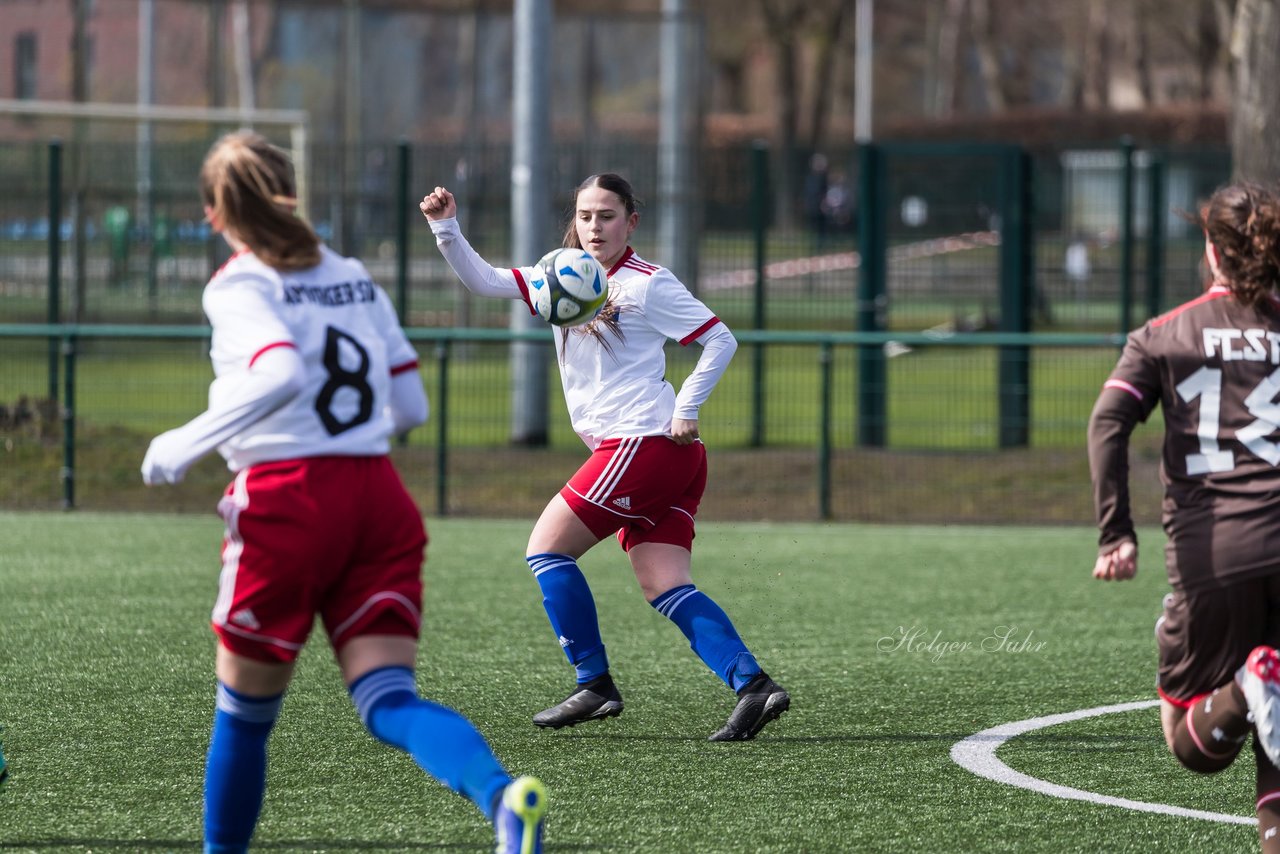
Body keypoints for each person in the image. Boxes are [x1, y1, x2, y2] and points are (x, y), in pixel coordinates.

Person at [141, 131, 547, 854]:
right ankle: (502, 797)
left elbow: (282, 374)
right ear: (290, 190)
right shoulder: (354, 273)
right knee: (389, 699)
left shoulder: (239, 282)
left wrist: (181, 443)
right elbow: (413, 407)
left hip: (290, 498)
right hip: (379, 498)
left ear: (213, 213)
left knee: (243, 715)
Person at [420, 173, 790, 742]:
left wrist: (687, 406)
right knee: (664, 582)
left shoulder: (647, 283)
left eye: (608, 215)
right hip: (658, 455)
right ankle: (754, 686)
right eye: (586, 215)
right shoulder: (558, 273)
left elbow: (720, 338)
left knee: (546, 549)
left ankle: (594, 684)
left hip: (643, 442)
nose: (596, 226)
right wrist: (445, 226)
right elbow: (487, 281)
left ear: (631, 221)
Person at [1088, 181, 1280, 852]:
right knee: (1276, 714)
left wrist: (1116, 532)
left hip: (1217, 552)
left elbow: (1107, 423)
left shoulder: (1164, 335)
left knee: (1192, 745)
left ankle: (1251, 684)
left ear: (1210, 250)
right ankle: (1261, 683)